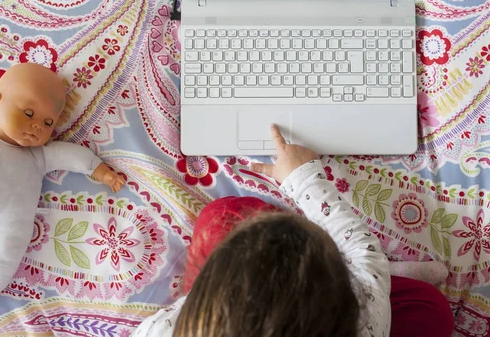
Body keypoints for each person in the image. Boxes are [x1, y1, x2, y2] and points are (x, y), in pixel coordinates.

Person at [132, 125, 454, 337]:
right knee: (431, 310)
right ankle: (378, 275)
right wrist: (300, 175)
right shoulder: (365, 316)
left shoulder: (163, 331)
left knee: (222, 215)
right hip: (362, 294)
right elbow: (358, 246)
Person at [0, 63, 125, 308]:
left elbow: (71, 155)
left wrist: (101, 172)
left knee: (6, 250)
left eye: (48, 121)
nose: (38, 126)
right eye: (29, 113)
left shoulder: (37, 156)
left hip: (4, 231)